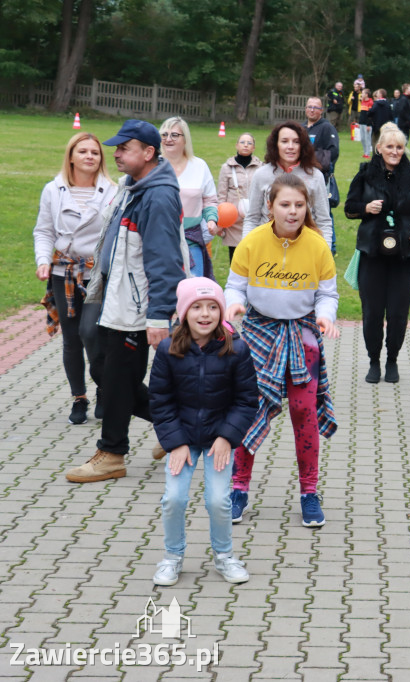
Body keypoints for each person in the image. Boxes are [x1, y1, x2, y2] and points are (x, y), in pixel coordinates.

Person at [66, 119, 185, 483]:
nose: (114, 154)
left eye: (124, 148)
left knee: (116, 378)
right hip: (115, 300)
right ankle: (180, 427)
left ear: (148, 153)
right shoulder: (132, 186)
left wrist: (158, 316)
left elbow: (165, 261)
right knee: (104, 370)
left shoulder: (159, 196)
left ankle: (112, 453)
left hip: (136, 309)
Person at [225, 174, 339, 528]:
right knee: (250, 410)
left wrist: (324, 317)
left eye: (299, 205)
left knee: (304, 412)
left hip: (303, 335)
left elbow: (327, 293)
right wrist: (234, 306)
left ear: (308, 208)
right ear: (270, 206)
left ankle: (309, 493)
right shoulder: (252, 241)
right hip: (259, 334)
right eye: (285, 204)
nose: (292, 212)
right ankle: (238, 488)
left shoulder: (318, 245)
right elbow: (235, 286)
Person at [149, 277, 258, 586]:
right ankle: (172, 557)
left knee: (218, 500)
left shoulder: (236, 348)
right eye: (196, 307)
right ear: (184, 312)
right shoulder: (169, 349)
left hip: (218, 439)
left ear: (221, 313)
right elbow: (160, 400)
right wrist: (176, 442)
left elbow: (247, 400)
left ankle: (224, 556)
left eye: (212, 307)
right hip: (181, 440)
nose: (205, 314)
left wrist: (227, 437)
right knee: (173, 498)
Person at [345, 123, 410, 384]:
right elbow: (349, 208)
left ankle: (392, 359)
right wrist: (366, 208)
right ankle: (374, 360)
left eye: (399, 147)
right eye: (390, 147)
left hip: (404, 254)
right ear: (379, 148)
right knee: (372, 311)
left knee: (398, 312)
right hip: (372, 252)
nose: (395, 151)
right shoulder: (365, 174)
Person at [34, 132, 115, 425]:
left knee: (91, 332)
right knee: (71, 339)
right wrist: (44, 261)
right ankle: (78, 397)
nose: (90, 156)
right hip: (63, 272)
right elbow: (44, 231)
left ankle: (104, 387)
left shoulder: (112, 191)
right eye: (83, 151)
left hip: (96, 274)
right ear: (71, 157)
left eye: (95, 152)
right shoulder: (53, 190)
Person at [242, 121, 330, 242]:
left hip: (304, 245)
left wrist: (325, 252)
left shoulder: (315, 176)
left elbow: (323, 221)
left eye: (296, 142)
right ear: (276, 145)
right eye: (284, 141)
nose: (290, 146)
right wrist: (246, 248)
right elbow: (252, 219)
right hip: (267, 245)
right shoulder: (261, 175)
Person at [160, 117, 218, 278]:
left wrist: (212, 219)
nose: (168, 139)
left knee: (194, 294)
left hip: (191, 242)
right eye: (164, 135)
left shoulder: (199, 166)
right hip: (159, 242)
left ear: (185, 139)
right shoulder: (154, 166)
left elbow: (209, 200)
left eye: (174, 135)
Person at [216, 132, 262, 265]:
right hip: (233, 221)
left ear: (253, 148)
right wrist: (220, 222)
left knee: (254, 258)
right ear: (237, 145)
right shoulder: (227, 168)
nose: (246, 145)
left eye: (249, 143)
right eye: (242, 142)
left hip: (254, 219)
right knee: (236, 259)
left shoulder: (260, 167)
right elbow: (222, 195)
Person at [304, 96, 340, 254]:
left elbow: (333, 152)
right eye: (309, 106)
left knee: (323, 210)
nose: (312, 110)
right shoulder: (301, 128)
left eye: (315, 107)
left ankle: (330, 246)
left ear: (321, 111)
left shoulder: (326, 128)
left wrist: (312, 158)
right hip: (300, 176)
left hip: (320, 176)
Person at [358, 88, 374, 159]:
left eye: (363, 93)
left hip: (367, 124)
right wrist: (359, 123)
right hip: (361, 123)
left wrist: (369, 125)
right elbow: (362, 114)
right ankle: (365, 152)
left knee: (367, 139)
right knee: (362, 138)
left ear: (367, 94)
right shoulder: (362, 101)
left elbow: (370, 115)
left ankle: (368, 153)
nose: (362, 94)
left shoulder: (370, 102)